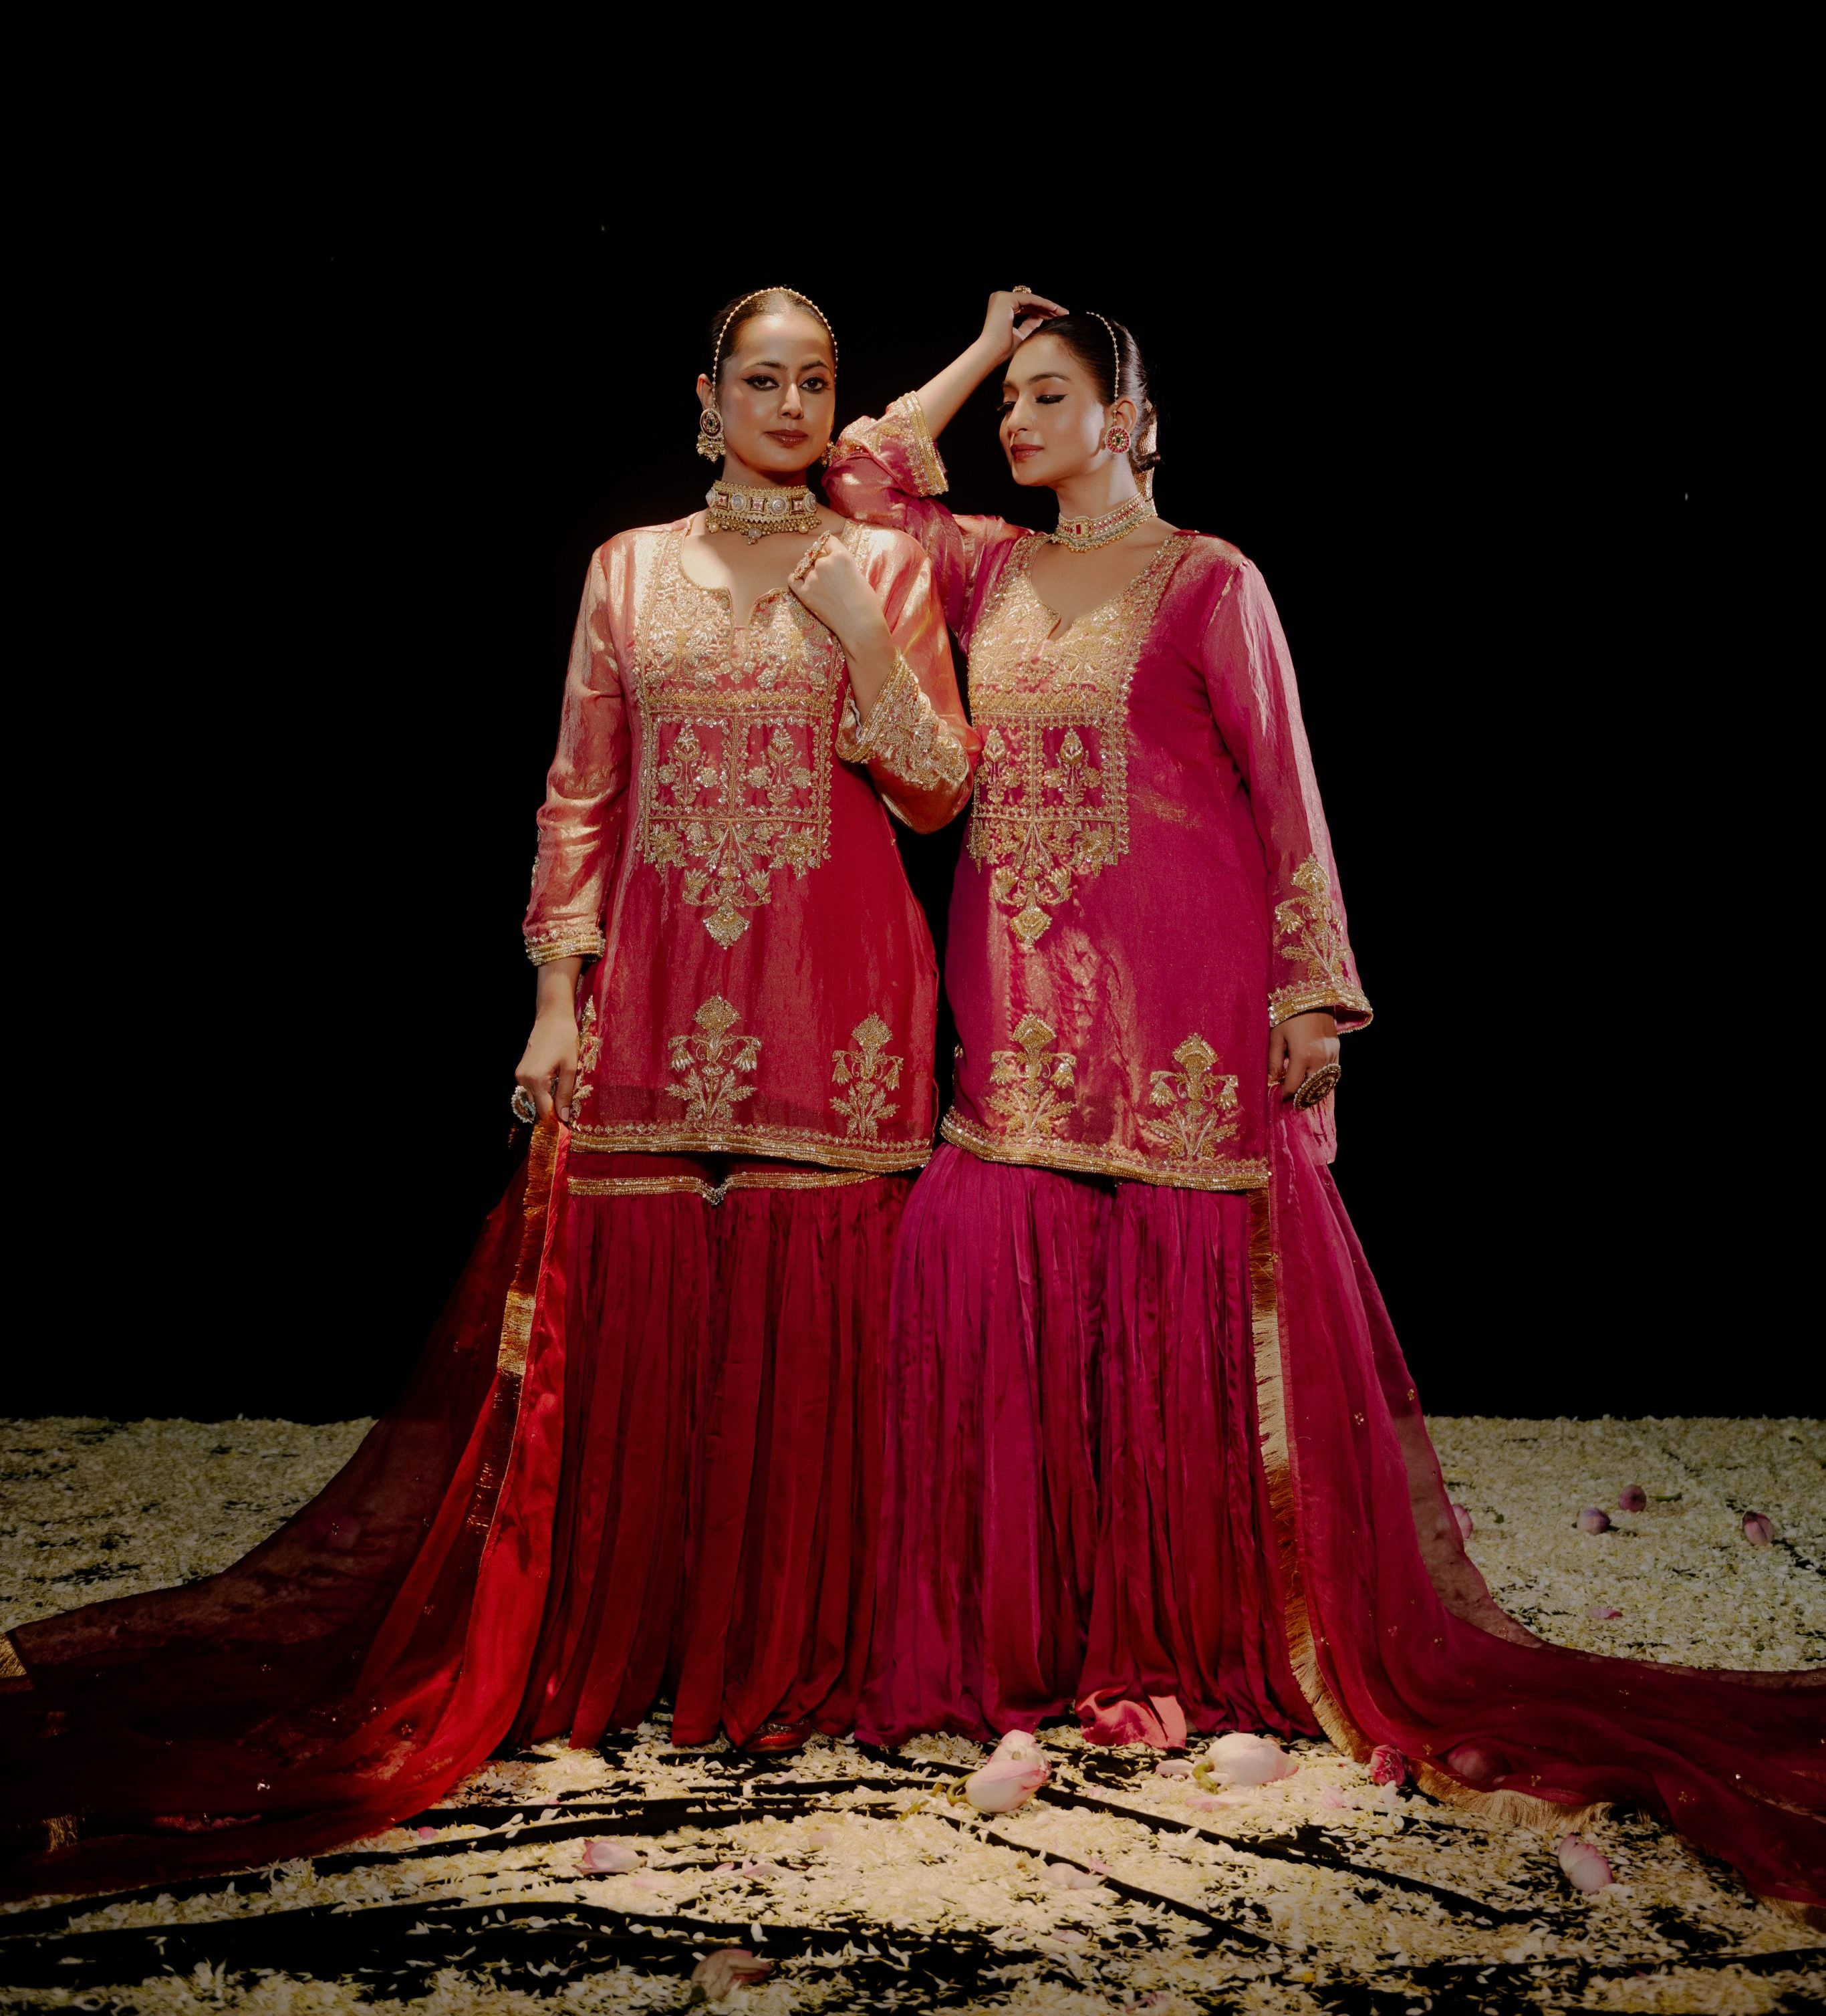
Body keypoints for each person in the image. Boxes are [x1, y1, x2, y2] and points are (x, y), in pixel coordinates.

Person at [823, 287, 1825, 1914]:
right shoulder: (987, 566)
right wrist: (981, 341)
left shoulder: (1210, 578)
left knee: (1192, 1290)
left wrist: (1310, 991)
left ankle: (1200, 1633)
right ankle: (1043, 1638)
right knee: (1012, 1256)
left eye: (1050, 392)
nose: (1016, 422)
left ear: (1126, 416)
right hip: (1021, 992)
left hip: (1186, 980)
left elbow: (1284, 788)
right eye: (1012, 401)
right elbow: (866, 474)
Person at [1, 285, 976, 1902]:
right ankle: (623, 1644)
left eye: (816, 380)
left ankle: (799, 1646)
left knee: (823, 1301)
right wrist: (552, 999)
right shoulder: (628, 567)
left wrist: (866, 632)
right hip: (654, 981)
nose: (793, 404)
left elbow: (936, 791)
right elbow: (580, 790)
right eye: (763, 378)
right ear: (707, 395)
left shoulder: (881, 561)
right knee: (640, 1293)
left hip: (840, 985)